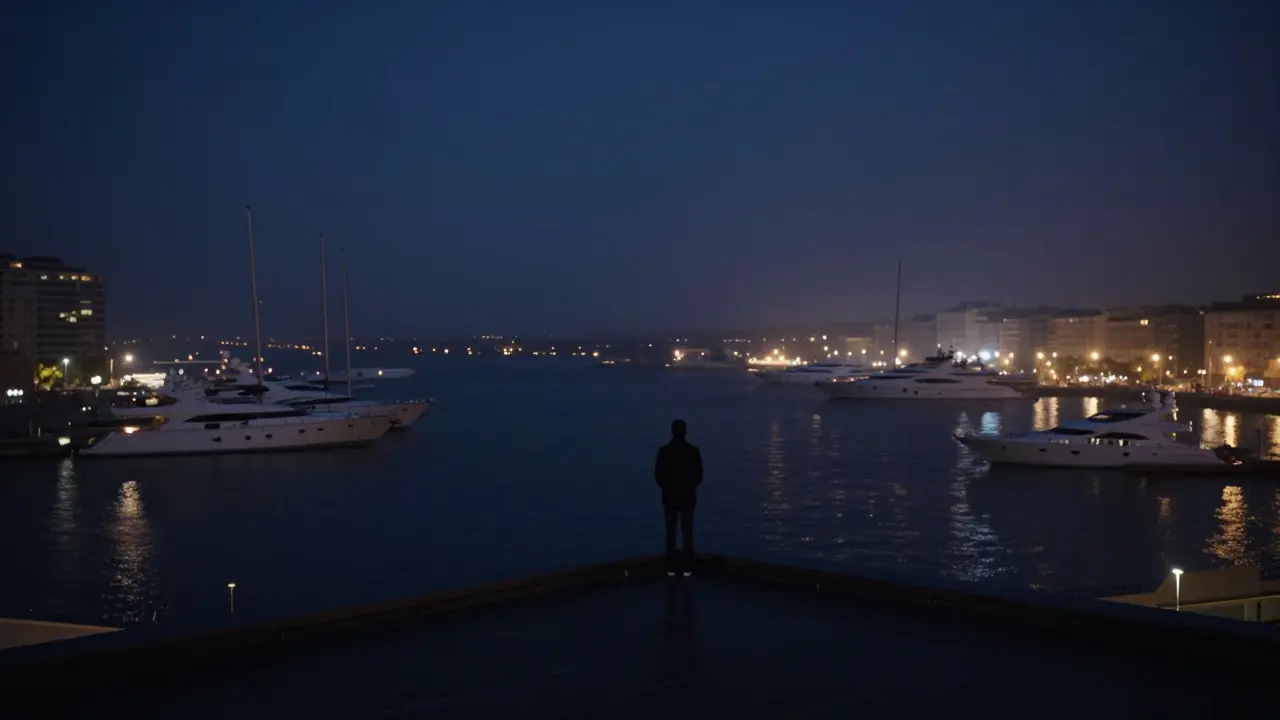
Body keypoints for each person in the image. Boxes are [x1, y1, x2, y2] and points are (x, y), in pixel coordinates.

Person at [654, 418, 702, 577]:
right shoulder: (693, 451)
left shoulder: (664, 452)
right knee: (687, 532)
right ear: (685, 432)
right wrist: (689, 487)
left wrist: (667, 488)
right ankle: (688, 568)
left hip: (670, 498)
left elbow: (658, 476)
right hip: (688, 498)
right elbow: (699, 476)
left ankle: (671, 568)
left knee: (670, 532)